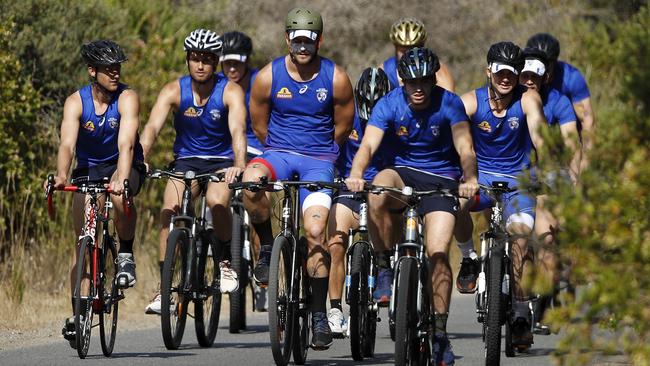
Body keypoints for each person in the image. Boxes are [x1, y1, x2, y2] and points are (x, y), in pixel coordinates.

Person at [346, 47, 479, 365]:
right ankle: (384, 266)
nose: (418, 88)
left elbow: (465, 147)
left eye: (424, 81)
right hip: (401, 172)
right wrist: (355, 174)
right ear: (402, 80)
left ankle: (439, 333)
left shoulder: (450, 103)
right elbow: (368, 144)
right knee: (378, 189)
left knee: (437, 252)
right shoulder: (389, 103)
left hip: (441, 180)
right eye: (411, 82)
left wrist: (470, 177)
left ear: (433, 79)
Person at [242, 7, 354, 350]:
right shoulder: (267, 76)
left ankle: (319, 314)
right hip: (277, 153)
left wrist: (319, 151)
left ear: (319, 40)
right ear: (288, 38)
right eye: (297, 39)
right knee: (250, 181)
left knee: (317, 231)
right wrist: (280, 150)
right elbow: (258, 121)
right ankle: (265, 248)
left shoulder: (336, 77)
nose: (303, 46)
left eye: (309, 40)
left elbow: (344, 125)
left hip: (319, 160)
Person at [140, 29, 248, 314]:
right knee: (169, 209)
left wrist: (238, 165)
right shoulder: (174, 90)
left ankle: (224, 262)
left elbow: (238, 129)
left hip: (221, 162)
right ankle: (165, 287)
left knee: (216, 202)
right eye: (195, 59)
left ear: (216, 62)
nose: (200, 65)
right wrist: (141, 157)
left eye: (207, 60)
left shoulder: (230, 90)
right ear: (187, 60)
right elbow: (151, 128)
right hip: (186, 161)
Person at [48, 40, 146, 347]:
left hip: (123, 163)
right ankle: (79, 316)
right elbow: (66, 145)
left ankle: (126, 252)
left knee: (118, 194)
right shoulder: (75, 102)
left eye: (117, 67)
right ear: (93, 71)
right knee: (83, 243)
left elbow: (126, 144)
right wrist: (62, 176)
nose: (115, 73)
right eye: (108, 69)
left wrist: (121, 178)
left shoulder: (127, 98)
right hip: (88, 170)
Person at [454, 41, 547, 349]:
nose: (506, 78)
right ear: (488, 71)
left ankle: (521, 311)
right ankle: (468, 257)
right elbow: (449, 127)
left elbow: (540, 136)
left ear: (519, 75)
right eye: (501, 72)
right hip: (479, 182)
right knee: (454, 205)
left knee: (521, 236)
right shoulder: (471, 101)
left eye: (512, 73)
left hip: (518, 183)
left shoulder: (528, 99)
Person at [519, 47, 581, 334]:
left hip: (550, 174)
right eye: (525, 75)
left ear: (546, 78)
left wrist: (574, 180)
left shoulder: (559, 103)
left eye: (536, 76)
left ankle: (543, 301)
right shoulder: (509, 101)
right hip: (515, 174)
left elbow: (572, 145)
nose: (529, 80)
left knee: (548, 238)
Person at [326, 67, 391, 337]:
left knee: (392, 233)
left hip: (382, 191)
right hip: (348, 189)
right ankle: (334, 308)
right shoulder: (345, 117)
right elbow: (329, 150)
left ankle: (394, 281)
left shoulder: (396, 119)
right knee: (336, 242)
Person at [217, 30, 268, 311]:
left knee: (257, 200)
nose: (232, 69)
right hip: (227, 150)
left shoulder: (261, 82)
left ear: (247, 61)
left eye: (237, 63)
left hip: (257, 149)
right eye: (227, 63)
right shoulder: (216, 85)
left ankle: (263, 275)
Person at [526, 33, 594, 171]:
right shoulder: (522, 78)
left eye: (546, 63)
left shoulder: (571, 78)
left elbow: (587, 120)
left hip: (564, 129)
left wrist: (585, 160)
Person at [381, 17, 455, 92]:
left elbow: (449, 101)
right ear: (396, 47)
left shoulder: (439, 73)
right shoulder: (384, 71)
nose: (409, 57)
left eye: (413, 50)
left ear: (422, 46)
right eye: (403, 51)